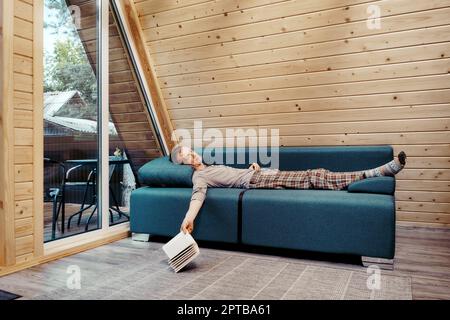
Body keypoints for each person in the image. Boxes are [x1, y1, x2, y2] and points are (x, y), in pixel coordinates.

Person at [169, 145, 407, 234]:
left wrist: (252, 167)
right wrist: (188, 219)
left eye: (191, 150)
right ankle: (375, 173)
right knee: (314, 176)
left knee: (313, 176)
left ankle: (362, 177)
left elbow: (231, 174)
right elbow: (197, 197)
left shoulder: (210, 165)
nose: (192, 154)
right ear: (184, 164)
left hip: (258, 175)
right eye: (186, 156)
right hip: (258, 183)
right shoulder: (199, 177)